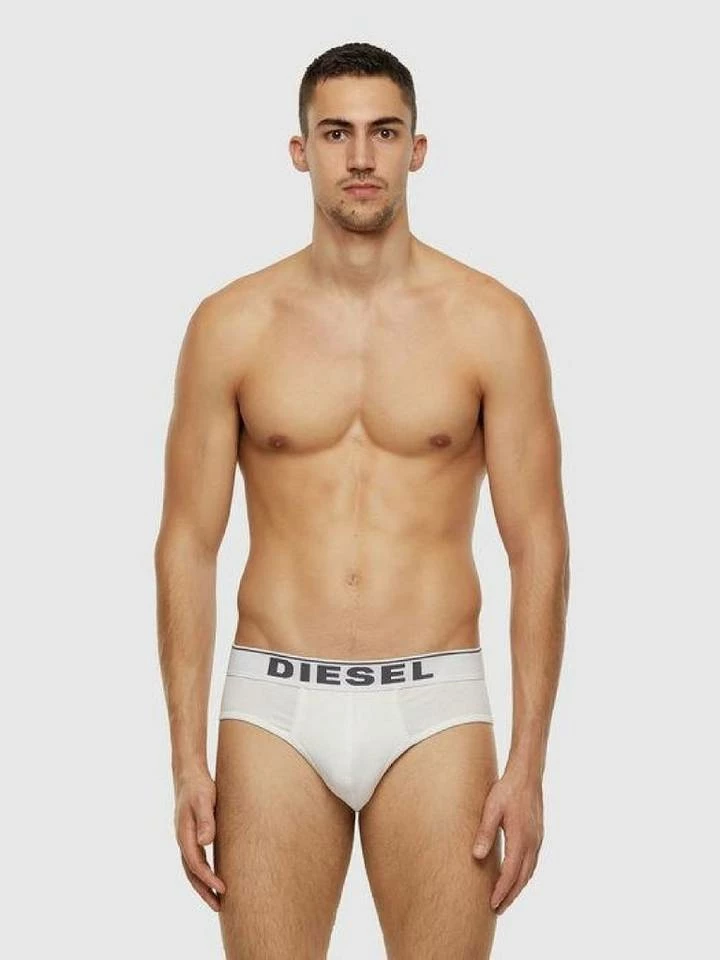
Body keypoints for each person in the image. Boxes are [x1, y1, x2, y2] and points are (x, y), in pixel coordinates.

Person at [155, 40, 570, 959]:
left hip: (434, 707)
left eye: (384, 132)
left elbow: (538, 544)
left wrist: (529, 765)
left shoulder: (492, 324)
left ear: (417, 149)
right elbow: (186, 542)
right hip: (274, 708)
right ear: (300, 150)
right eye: (336, 133)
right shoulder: (230, 326)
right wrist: (185, 758)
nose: (360, 156)